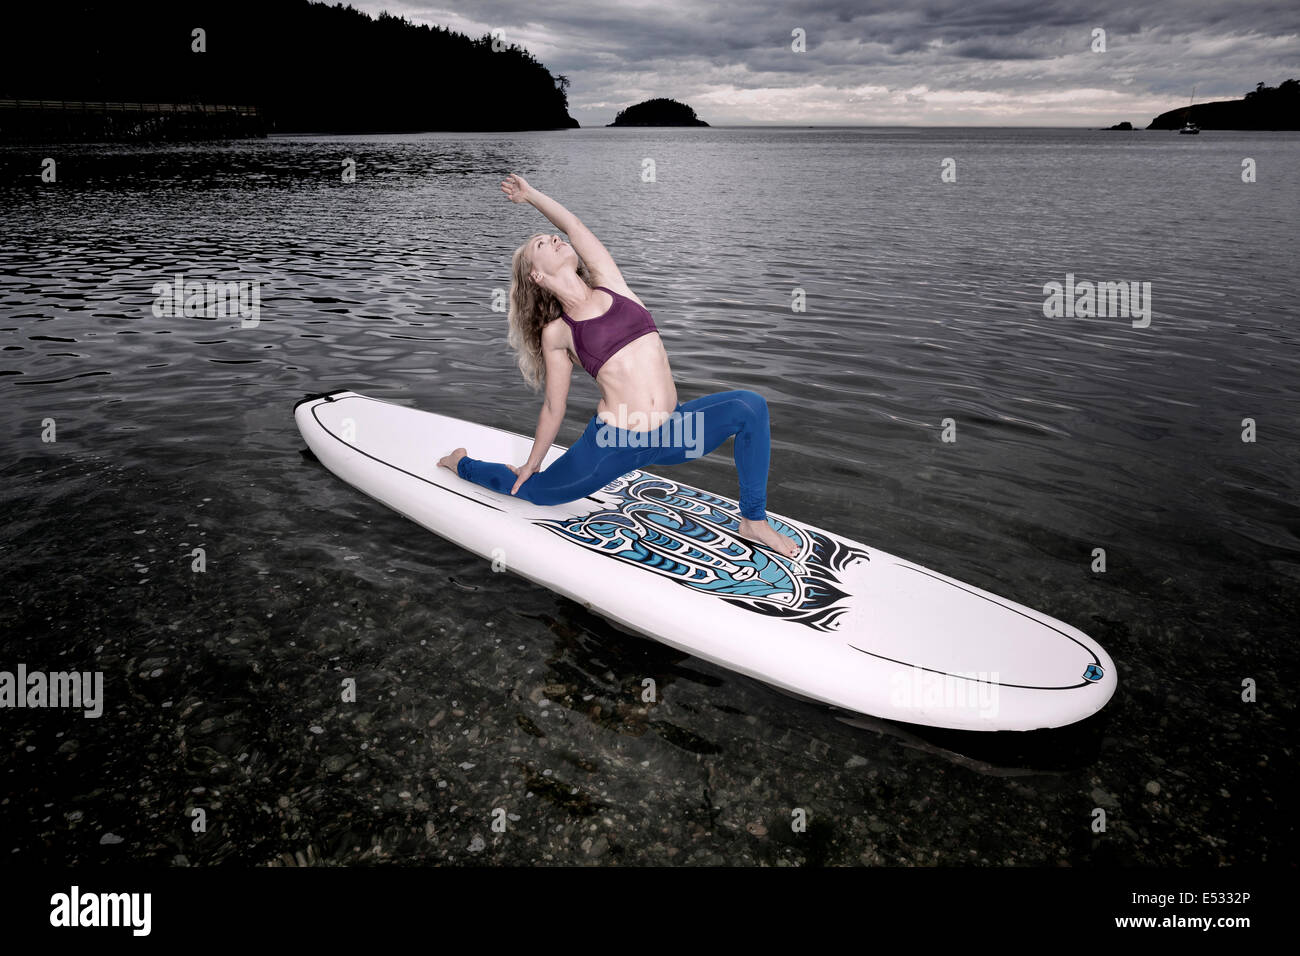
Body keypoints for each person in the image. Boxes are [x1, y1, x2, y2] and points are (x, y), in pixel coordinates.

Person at [437, 173, 798, 557]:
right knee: (537, 492)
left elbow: (573, 227)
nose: (556, 238)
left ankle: (753, 520)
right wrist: (531, 463)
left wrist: (531, 196)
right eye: (543, 242)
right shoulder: (558, 334)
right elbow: (554, 407)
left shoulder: (612, 283)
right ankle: (461, 463)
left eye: (553, 236)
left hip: (675, 433)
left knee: (750, 407)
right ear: (537, 275)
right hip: (617, 444)